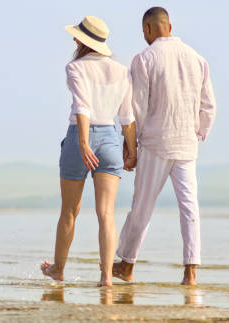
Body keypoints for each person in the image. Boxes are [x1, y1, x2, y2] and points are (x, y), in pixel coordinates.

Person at [113, 7, 217, 285]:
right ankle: (190, 273)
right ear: (169, 26)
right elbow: (209, 106)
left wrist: (131, 147)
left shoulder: (144, 58)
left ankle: (126, 265)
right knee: (189, 207)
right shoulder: (197, 58)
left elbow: (138, 107)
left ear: (148, 29)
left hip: (155, 142)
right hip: (186, 144)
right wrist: (199, 131)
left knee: (142, 207)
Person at [41, 16, 137, 287]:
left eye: (77, 36)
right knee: (106, 213)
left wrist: (83, 143)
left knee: (69, 211)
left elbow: (82, 107)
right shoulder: (121, 70)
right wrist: (131, 149)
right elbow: (127, 117)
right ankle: (106, 277)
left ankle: (58, 270)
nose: (74, 39)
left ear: (83, 41)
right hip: (110, 139)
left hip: (78, 138)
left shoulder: (75, 67)